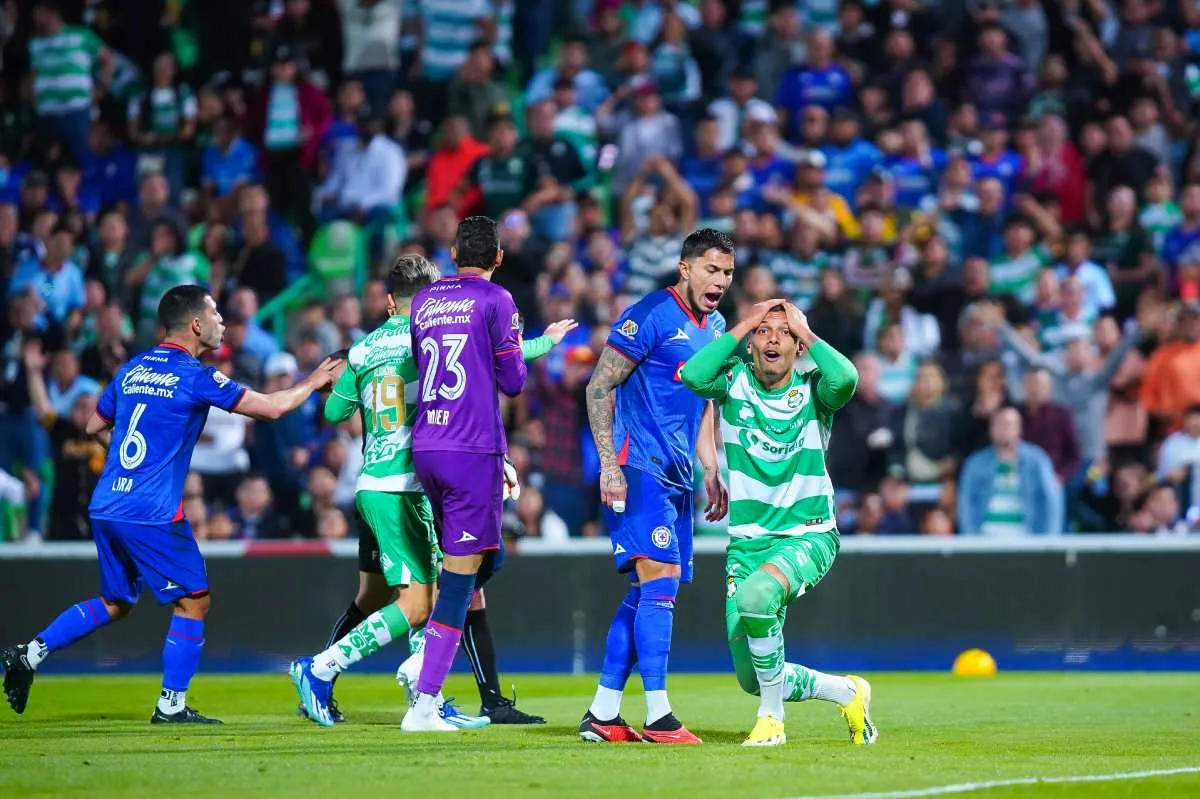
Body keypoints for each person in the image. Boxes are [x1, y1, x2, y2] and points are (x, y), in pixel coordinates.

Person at [0, 285, 341, 722]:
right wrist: (314, 381)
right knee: (194, 599)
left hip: (108, 501)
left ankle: (28, 654)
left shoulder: (131, 369)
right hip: (150, 510)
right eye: (216, 314)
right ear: (196, 324)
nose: (222, 322)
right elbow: (272, 408)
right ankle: (171, 706)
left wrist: (133, 462)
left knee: (115, 600)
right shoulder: (195, 375)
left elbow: (92, 424)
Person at [294, 253, 575, 727]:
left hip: (374, 479)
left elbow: (334, 415)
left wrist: (344, 386)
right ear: (431, 296)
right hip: (413, 480)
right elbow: (497, 358)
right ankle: (321, 668)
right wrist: (546, 341)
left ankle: (427, 696)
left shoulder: (362, 350)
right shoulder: (427, 337)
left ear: (387, 299)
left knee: (422, 589)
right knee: (420, 600)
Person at [679, 300, 875, 747]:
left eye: (782, 333)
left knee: (757, 596)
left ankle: (772, 721)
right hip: (747, 543)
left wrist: (806, 331)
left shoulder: (815, 392)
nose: (772, 338)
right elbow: (693, 375)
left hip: (808, 533)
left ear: (797, 345)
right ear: (750, 343)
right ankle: (847, 691)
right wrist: (747, 321)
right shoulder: (732, 383)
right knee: (753, 675)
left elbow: (847, 377)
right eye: (762, 332)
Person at [578, 228, 735, 745]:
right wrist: (608, 465)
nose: (721, 281)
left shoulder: (716, 327)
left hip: (678, 477)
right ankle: (660, 715)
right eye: (712, 269)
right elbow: (599, 385)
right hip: (637, 466)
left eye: (728, 273)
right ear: (685, 268)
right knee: (660, 581)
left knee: (647, 591)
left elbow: (706, 403)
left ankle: (603, 713)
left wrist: (711, 467)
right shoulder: (650, 314)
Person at [399, 216, 528, 733]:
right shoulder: (497, 300)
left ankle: (427, 669)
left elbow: (420, 362)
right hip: (472, 447)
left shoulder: (426, 300)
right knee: (461, 577)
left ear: (453, 252)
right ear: (498, 258)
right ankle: (424, 697)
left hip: (427, 444)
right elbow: (514, 380)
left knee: (472, 567)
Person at [958, 407, 1063, 536]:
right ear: (991, 429)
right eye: (1000, 424)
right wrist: (971, 538)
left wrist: (1048, 541)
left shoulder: (1037, 462)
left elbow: (1051, 501)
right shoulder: (975, 464)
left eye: (1009, 424)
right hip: (986, 538)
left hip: (1026, 538)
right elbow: (965, 504)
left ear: (1019, 429)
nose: (1005, 429)